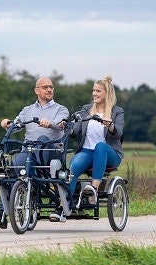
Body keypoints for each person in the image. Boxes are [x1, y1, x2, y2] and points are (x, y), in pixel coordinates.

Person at [0, 77, 69, 228]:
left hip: (50, 152)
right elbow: (17, 125)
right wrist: (8, 123)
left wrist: (50, 123)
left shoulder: (60, 109)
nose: (49, 90)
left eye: (51, 87)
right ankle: (2, 213)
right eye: (45, 87)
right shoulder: (27, 110)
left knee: (43, 138)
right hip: (29, 151)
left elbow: (61, 124)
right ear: (36, 90)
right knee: (9, 172)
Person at [50, 75, 124, 222]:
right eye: (93, 90)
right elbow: (76, 132)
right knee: (72, 170)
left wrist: (110, 126)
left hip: (109, 153)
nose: (94, 94)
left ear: (107, 93)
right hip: (87, 151)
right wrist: (68, 128)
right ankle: (62, 207)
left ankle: (94, 188)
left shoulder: (116, 112)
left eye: (98, 91)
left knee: (101, 146)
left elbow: (118, 135)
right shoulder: (86, 110)